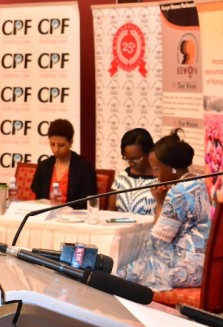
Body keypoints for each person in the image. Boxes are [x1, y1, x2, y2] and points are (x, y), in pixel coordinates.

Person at [117, 128, 211, 291]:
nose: (154, 174)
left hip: (183, 270)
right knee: (132, 270)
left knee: (121, 275)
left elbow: (157, 242)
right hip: (201, 266)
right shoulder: (198, 182)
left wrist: (160, 202)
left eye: (157, 169)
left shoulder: (178, 192)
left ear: (172, 168)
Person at [30, 119, 97, 209]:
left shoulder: (84, 168)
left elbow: (87, 204)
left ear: (71, 142)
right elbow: (37, 200)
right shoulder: (44, 166)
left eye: (61, 145)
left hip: (73, 219)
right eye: (52, 144)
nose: (56, 149)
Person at [108, 127, 157, 215]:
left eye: (135, 159)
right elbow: (110, 212)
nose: (131, 163)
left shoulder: (161, 179)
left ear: (149, 153)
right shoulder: (122, 178)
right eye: (127, 159)